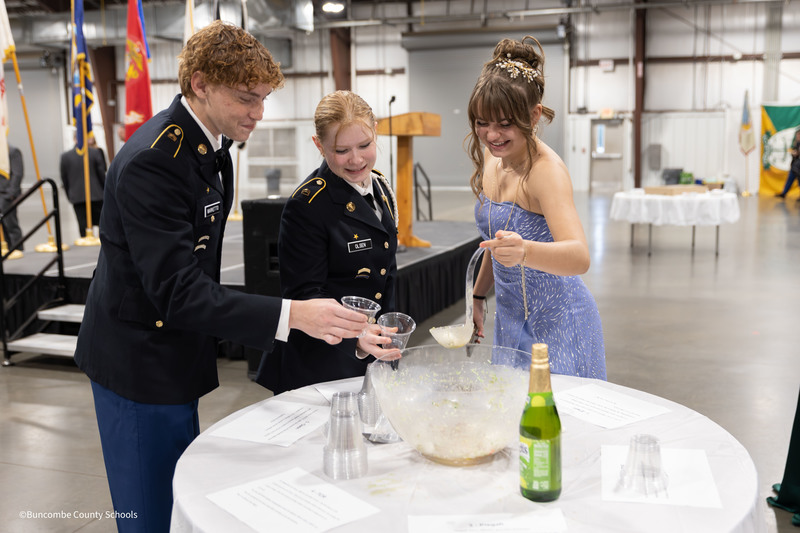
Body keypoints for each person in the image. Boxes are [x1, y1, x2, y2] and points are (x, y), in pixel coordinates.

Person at [74, 21, 367, 533]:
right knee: (150, 513)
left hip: (175, 353)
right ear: (201, 84)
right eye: (245, 99)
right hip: (139, 360)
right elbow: (178, 290)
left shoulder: (210, 145)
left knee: (180, 493)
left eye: (263, 99)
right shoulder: (155, 161)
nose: (258, 113)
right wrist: (292, 315)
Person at [467, 35, 606, 379]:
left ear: (534, 114)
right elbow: (495, 242)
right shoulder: (491, 156)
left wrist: (524, 250)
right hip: (513, 317)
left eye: (505, 124)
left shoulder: (546, 172)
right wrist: (479, 295)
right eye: (482, 122)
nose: (491, 135)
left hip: (559, 321)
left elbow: (579, 257)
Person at [257, 90, 401, 395]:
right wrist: (356, 336)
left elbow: (386, 271)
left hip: (371, 354)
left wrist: (386, 329)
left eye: (365, 145)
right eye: (341, 150)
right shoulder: (308, 204)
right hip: (321, 361)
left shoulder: (380, 187)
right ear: (319, 145)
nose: (356, 159)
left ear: (376, 129)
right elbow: (305, 294)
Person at [59, 133, 107, 237]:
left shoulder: (65, 156)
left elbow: (64, 178)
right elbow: (101, 174)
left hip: (77, 196)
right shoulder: (95, 153)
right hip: (96, 194)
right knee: (101, 223)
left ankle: (84, 241)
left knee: (82, 224)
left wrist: (69, 194)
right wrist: (104, 190)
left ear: (74, 139)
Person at [0, 144, 24, 251]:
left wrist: (10, 194)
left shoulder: (12, 151)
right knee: (2, 229)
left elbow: (17, 174)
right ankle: (6, 251)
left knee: (11, 226)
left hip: (7, 196)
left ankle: (17, 250)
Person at [776, 129, 800, 199]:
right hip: (795, 166)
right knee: (790, 180)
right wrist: (794, 153)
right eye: (797, 135)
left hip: (798, 167)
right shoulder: (797, 144)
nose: (798, 137)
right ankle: (784, 193)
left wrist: (797, 153)